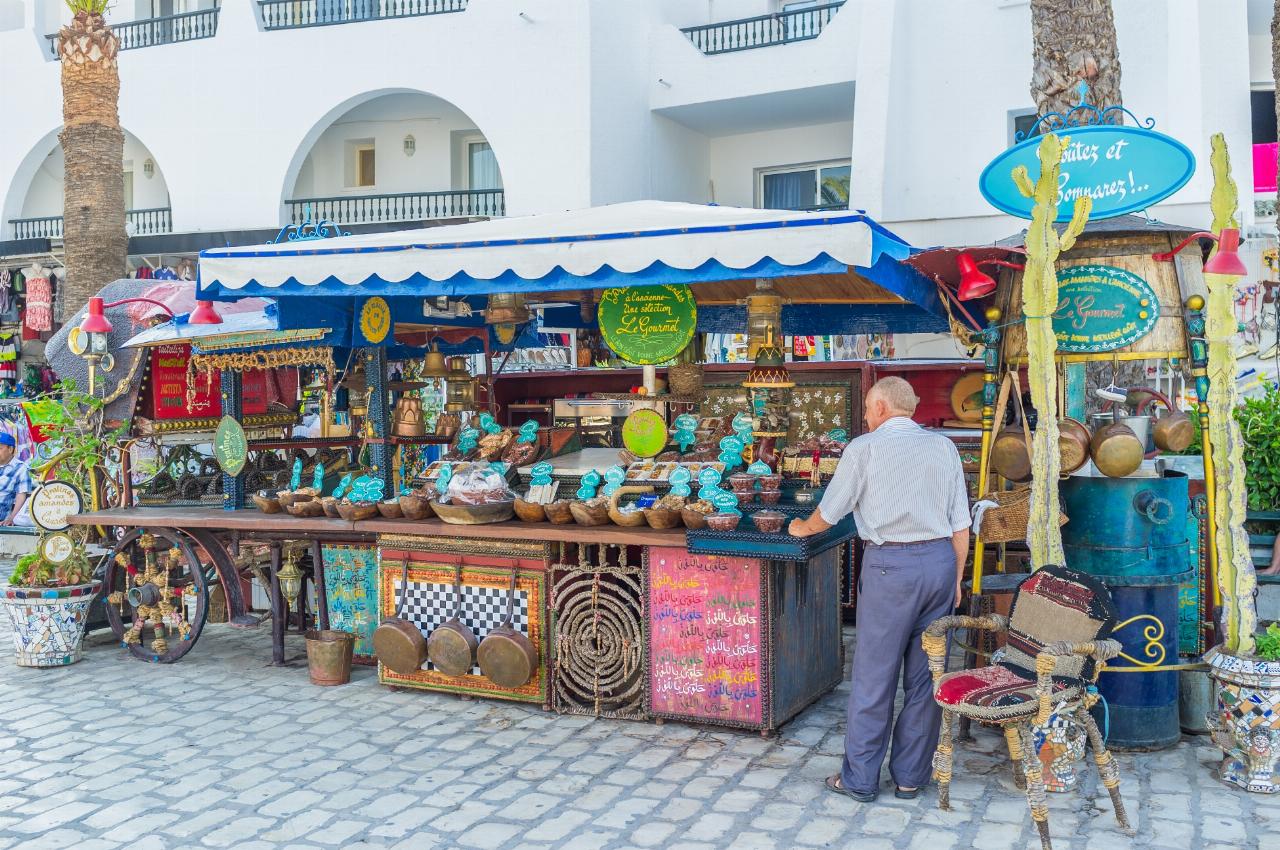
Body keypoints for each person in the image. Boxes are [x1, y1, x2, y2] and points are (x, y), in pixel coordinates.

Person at [789, 376, 970, 803]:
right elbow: (961, 524)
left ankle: (860, 779)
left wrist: (801, 527)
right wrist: (956, 580)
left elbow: (828, 514)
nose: (867, 417)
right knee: (927, 677)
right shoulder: (943, 448)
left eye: (869, 409)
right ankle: (910, 778)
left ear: (882, 407)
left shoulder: (864, 449)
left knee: (874, 675)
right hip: (940, 564)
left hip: (892, 569)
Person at [0, 432, 34, 527]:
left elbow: (21, 495)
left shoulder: (20, 468)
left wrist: (11, 518)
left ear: (10, 449)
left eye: (0, 448)